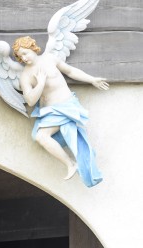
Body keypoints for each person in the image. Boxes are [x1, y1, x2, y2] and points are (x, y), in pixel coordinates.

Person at [13, 36, 107, 187]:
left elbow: (70, 71)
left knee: (41, 136)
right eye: (20, 56)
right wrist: (41, 83)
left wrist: (91, 79)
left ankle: (71, 164)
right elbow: (30, 100)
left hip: (66, 106)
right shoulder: (26, 76)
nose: (24, 58)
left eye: (25, 53)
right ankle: (71, 163)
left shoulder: (50, 58)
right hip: (51, 112)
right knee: (40, 137)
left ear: (33, 47)